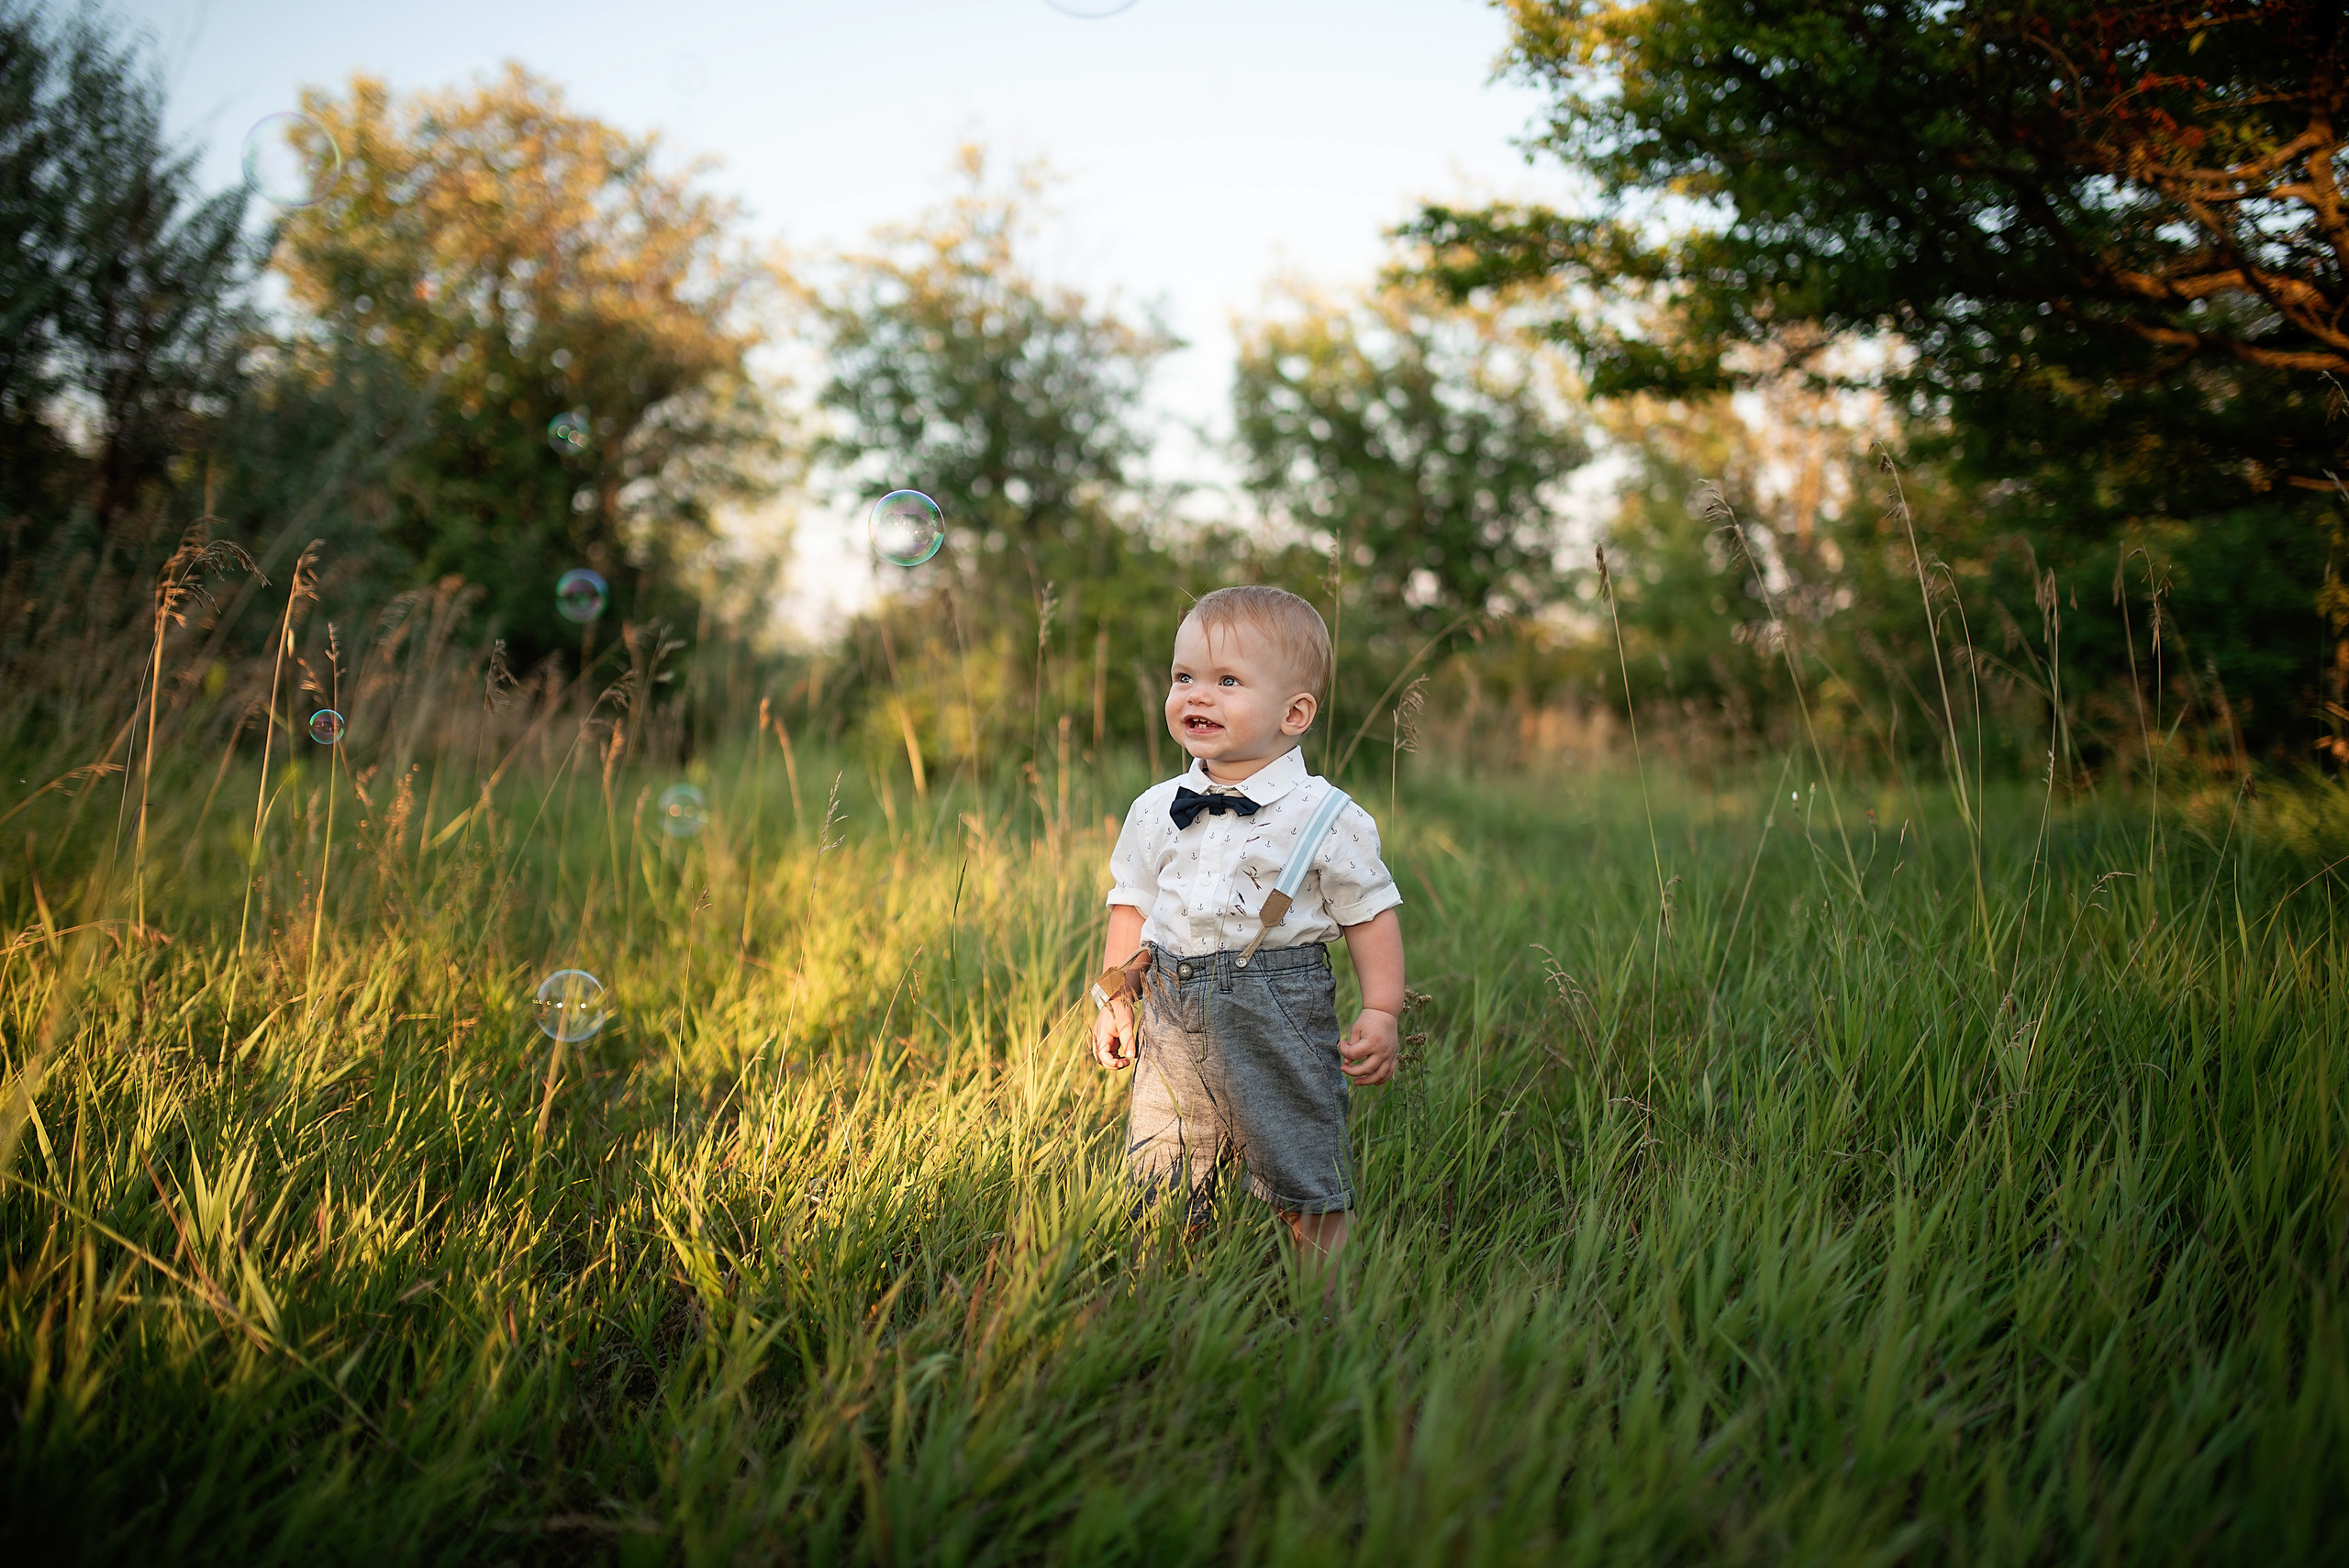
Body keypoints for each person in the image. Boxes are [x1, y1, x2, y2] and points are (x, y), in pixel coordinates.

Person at [1090, 584, 1406, 1280]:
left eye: (1228, 680)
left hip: (1278, 1011)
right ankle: (1168, 1300)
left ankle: (1328, 1314)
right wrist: (1115, 995)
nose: (1197, 695)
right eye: (1184, 677)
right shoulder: (1154, 808)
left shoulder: (1325, 814)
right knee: (1164, 1170)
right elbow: (1131, 901)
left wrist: (1381, 1009)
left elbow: (1369, 910)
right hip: (1171, 1011)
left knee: (1303, 1169)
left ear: (1294, 712)